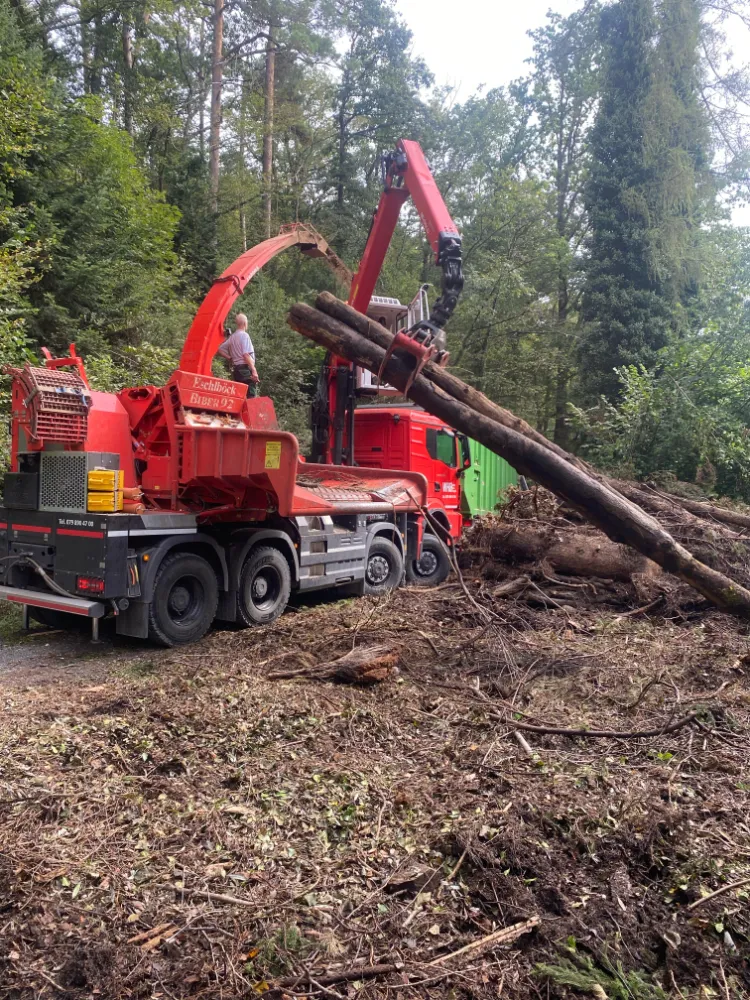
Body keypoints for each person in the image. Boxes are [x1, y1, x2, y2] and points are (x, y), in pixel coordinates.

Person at [218, 313, 259, 396]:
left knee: (240, 395)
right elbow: (246, 354)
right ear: (245, 323)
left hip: (237, 370)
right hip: (245, 369)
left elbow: (220, 349)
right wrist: (254, 370)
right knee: (250, 394)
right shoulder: (244, 336)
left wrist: (230, 358)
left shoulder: (232, 337)